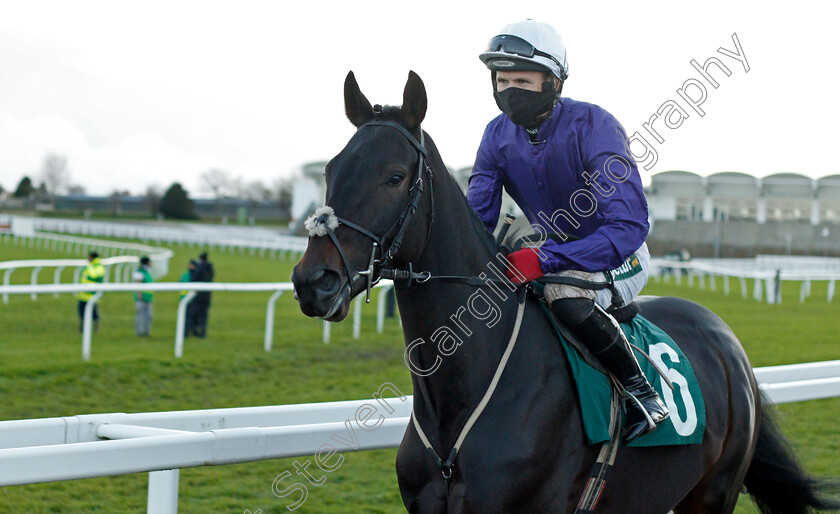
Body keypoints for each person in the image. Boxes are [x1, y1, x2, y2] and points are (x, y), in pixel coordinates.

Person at [469, 20, 668, 444]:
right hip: (550, 249)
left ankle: (643, 394)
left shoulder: (595, 125)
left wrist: (545, 260)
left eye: (522, 79)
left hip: (619, 256)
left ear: (553, 81)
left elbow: (628, 226)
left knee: (562, 294)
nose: (509, 90)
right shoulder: (495, 134)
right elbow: (478, 219)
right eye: (502, 80)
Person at [77, 251, 105, 332]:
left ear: (92, 257)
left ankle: (96, 330)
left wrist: (90, 266)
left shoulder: (98, 267)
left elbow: (94, 276)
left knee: (94, 314)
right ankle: (81, 329)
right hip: (83, 294)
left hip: (92, 295)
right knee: (81, 313)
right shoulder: (91, 266)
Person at [192, 252, 214, 338]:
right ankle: (203, 333)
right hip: (207, 295)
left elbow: (195, 279)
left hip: (198, 295)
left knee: (196, 313)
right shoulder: (210, 267)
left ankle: (195, 331)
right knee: (204, 315)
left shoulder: (199, 267)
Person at [132, 256, 154, 337]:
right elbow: (138, 284)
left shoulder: (147, 272)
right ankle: (139, 333)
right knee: (141, 316)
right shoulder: (139, 272)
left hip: (148, 298)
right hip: (142, 298)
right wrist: (140, 296)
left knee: (148, 316)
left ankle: (146, 332)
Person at [180, 259, 198, 337]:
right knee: (188, 317)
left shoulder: (186, 274)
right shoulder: (188, 274)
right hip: (189, 298)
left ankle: (188, 331)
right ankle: (186, 332)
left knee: (189, 316)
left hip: (187, 298)